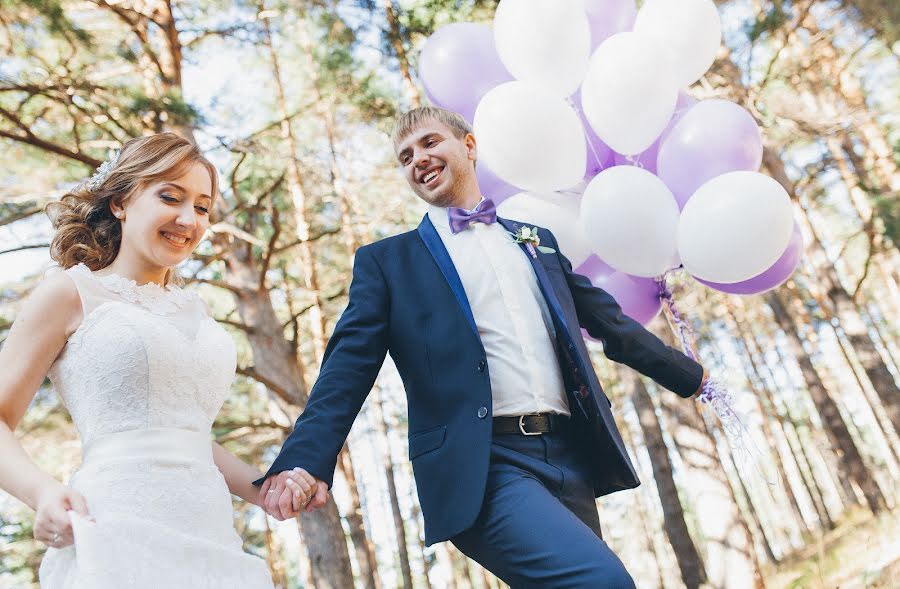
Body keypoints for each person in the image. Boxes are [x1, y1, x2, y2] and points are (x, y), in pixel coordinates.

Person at [260, 106, 708, 587]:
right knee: (603, 582)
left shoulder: (537, 242)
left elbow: (611, 323)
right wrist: (305, 458)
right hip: (484, 467)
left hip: (568, 456)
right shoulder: (388, 263)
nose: (419, 159)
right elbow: (346, 369)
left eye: (431, 143)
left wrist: (695, 377)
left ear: (468, 147)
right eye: (405, 156)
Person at [0, 133, 313, 587]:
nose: (189, 219)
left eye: (203, 207)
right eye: (170, 197)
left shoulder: (196, 310)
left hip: (210, 534)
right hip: (114, 525)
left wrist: (265, 490)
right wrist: (43, 491)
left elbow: (184, 435)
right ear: (121, 202)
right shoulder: (69, 292)